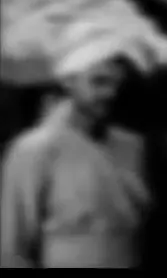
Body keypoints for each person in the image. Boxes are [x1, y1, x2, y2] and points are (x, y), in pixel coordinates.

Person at [0, 29, 155, 268]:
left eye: (119, 84)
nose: (111, 93)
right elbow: (11, 246)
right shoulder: (34, 148)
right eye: (99, 81)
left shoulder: (131, 144)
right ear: (69, 81)